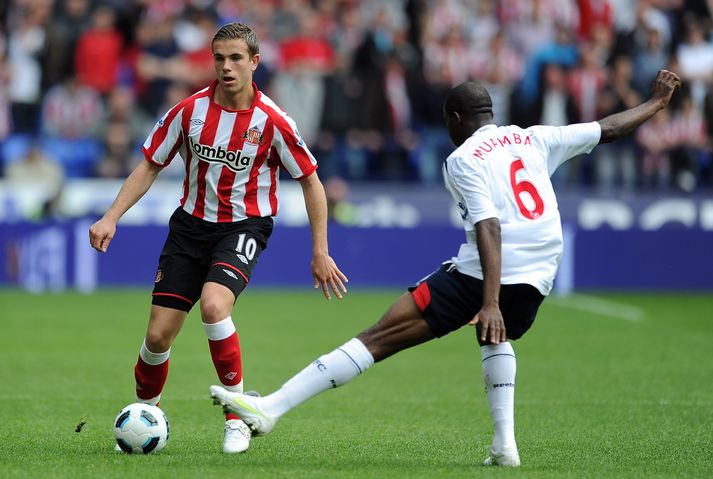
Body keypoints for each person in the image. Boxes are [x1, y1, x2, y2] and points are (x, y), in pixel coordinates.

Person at [209, 69, 681, 467]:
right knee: (496, 335)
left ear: (455, 119)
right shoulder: (534, 139)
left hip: (490, 271)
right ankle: (504, 446)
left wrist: (489, 301)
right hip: (540, 273)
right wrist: (656, 103)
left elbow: (489, 226)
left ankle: (271, 407)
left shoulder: (461, 159)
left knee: (380, 335)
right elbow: (609, 128)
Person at [89, 22, 348, 454]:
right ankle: (144, 416)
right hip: (189, 228)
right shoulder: (188, 112)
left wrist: (320, 250)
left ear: (254, 63)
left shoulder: (273, 121)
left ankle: (238, 418)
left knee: (213, 305)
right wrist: (111, 216)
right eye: (219, 58)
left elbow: (312, 182)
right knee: (157, 338)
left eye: (235, 59)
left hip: (244, 227)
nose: (226, 67)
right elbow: (150, 165)